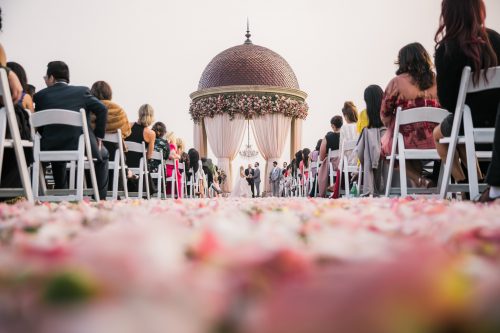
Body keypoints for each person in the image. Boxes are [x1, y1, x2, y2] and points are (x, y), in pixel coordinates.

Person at [432, 0, 500, 201]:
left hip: (467, 120)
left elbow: (447, 102)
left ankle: (465, 185)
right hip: (497, 121)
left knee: (439, 134)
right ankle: (477, 183)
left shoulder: (447, 48)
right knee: (457, 129)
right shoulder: (495, 39)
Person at [33, 61, 109, 200]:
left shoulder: (40, 96)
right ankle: (101, 197)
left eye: (46, 77)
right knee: (104, 155)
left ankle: (61, 195)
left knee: (57, 156)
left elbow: (40, 124)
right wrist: (99, 137)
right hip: (78, 144)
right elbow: (102, 109)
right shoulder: (81, 91)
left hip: (49, 146)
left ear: (51, 77)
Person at [380, 43, 441, 188]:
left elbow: (384, 115)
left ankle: (420, 180)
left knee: (387, 148)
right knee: (403, 142)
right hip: (438, 140)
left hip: (406, 140)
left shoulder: (396, 83)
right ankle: (425, 183)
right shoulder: (438, 80)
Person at [357, 85, 386, 196]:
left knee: (368, 136)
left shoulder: (363, 114)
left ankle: (370, 186)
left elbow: (361, 140)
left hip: (369, 153)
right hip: (390, 148)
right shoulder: (389, 113)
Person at [317, 116, 342, 197]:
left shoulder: (328, 137)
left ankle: (328, 188)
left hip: (333, 165)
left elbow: (321, 157)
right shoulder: (345, 135)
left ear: (333, 126)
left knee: (324, 165)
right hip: (344, 163)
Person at [166, 132, 182, 197]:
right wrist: (179, 156)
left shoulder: (166, 146)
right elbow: (171, 155)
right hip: (171, 171)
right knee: (178, 176)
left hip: (166, 169)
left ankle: (168, 193)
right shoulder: (172, 146)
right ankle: (176, 194)